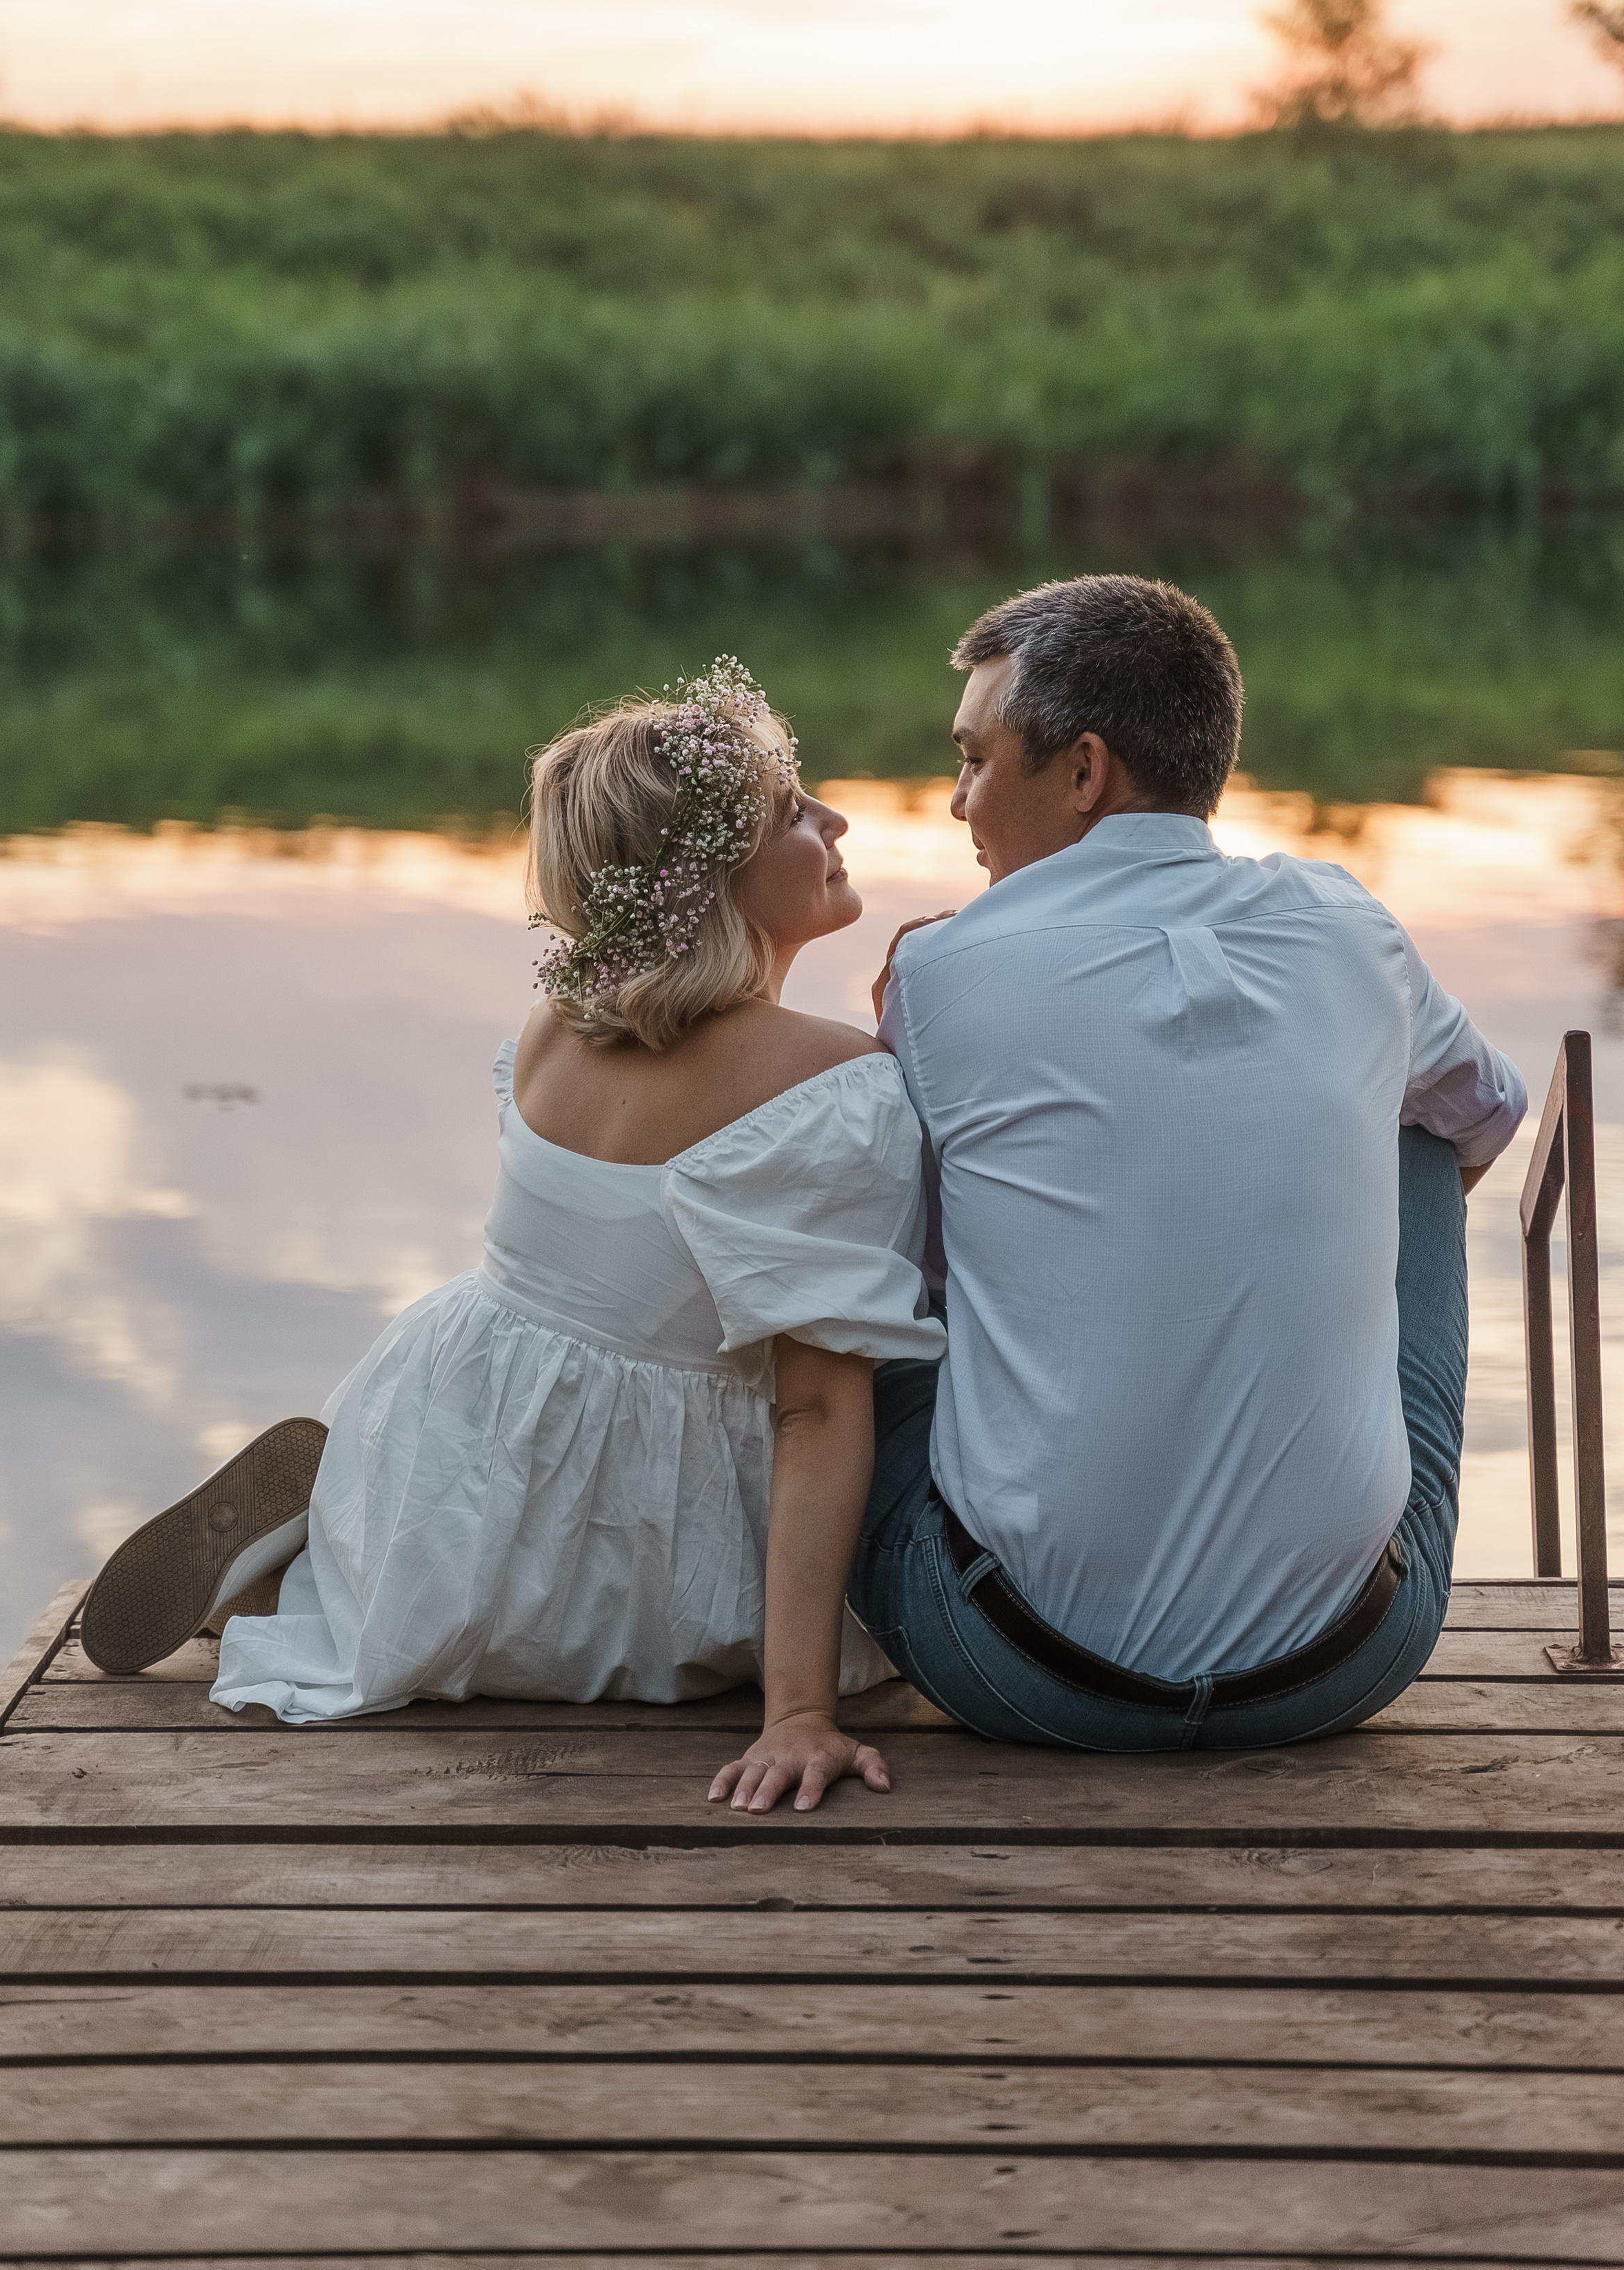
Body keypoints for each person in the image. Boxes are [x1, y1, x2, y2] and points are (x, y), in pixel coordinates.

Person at [80, 658, 945, 1813]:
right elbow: (817, 1403)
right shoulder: (832, 1081)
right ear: (704, 877)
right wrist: (799, 1712)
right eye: (792, 811)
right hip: (633, 1504)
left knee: (435, 1597)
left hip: (450, 1422)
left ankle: (327, 1550)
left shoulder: (556, 1025)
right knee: (873, 1587)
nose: (836, 819)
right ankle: (321, 1555)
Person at [843, 573, 1528, 1753]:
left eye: (973, 759)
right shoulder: (1349, 925)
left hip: (1015, 1667)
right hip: (1349, 1662)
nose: (958, 801)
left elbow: (928, 1278)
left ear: (1083, 772)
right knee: (1420, 1123)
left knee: (864, 1274)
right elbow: (1491, 1113)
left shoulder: (942, 973)